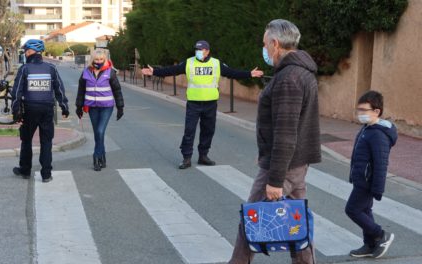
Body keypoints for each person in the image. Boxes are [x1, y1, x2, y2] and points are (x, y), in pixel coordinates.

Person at [228, 19, 321, 264]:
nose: (264, 49)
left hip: (284, 164)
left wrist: (275, 179)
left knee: (252, 217)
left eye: (264, 44)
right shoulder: (301, 72)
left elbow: (286, 132)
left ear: (275, 43)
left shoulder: (289, 78)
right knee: (297, 219)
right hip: (297, 161)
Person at [141, 40, 263, 169]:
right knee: (189, 131)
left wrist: (249, 73)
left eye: (201, 49)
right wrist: (154, 72)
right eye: (197, 49)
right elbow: (172, 70)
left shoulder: (216, 64)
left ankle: (203, 156)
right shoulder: (189, 62)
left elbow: (231, 73)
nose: (198, 51)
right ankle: (186, 158)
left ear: (208, 51)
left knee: (208, 131)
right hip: (194, 103)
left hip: (210, 104)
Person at [345, 91, 397, 258]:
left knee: (352, 210)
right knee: (365, 210)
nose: (360, 113)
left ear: (376, 111)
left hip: (367, 182)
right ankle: (370, 244)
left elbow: (381, 164)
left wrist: (377, 188)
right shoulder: (368, 128)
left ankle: (381, 235)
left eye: (364, 110)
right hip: (361, 179)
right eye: (358, 109)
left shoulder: (378, 135)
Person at [11, 39, 69, 183]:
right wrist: (64, 106)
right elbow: (59, 88)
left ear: (30, 51)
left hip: (29, 109)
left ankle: (25, 170)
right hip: (47, 109)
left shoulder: (24, 68)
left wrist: (16, 110)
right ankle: (46, 174)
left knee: (26, 140)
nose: (25, 53)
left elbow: (16, 91)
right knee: (46, 141)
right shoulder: (51, 68)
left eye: (26, 51)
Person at [75, 49, 124, 171]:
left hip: (106, 107)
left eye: (101, 59)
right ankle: (102, 156)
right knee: (97, 132)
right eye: (96, 59)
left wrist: (120, 107)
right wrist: (79, 106)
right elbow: (81, 91)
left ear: (105, 60)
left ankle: (96, 157)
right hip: (92, 107)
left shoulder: (110, 72)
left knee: (100, 131)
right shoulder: (86, 72)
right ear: (92, 60)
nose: (99, 61)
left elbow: (117, 90)